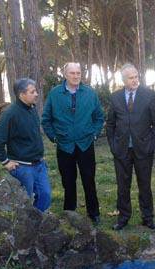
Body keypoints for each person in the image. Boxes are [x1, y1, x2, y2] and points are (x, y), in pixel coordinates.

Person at [41, 62, 104, 224]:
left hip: (85, 144)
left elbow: (99, 117)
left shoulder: (90, 93)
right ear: (65, 75)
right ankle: (69, 212)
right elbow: (46, 119)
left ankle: (94, 213)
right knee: (68, 181)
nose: (76, 76)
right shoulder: (55, 94)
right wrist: (54, 137)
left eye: (78, 73)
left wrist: (95, 134)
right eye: (72, 73)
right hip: (64, 145)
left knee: (89, 179)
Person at [106, 63, 155, 230]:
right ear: (123, 80)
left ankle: (148, 217)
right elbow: (110, 124)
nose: (135, 80)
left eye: (136, 76)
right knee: (123, 185)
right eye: (131, 77)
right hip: (121, 150)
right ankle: (123, 217)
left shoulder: (149, 95)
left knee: (145, 184)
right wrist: (113, 146)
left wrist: (151, 145)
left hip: (143, 149)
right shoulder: (115, 97)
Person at [0, 78, 51, 212]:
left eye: (36, 91)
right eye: (32, 92)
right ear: (21, 94)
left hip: (39, 165)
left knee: (45, 196)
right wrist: (5, 162)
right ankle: (26, 228)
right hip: (23, 168)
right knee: (24, 202)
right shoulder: (10, 114)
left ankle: (38, 224)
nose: (36, 94)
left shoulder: (32, 109)